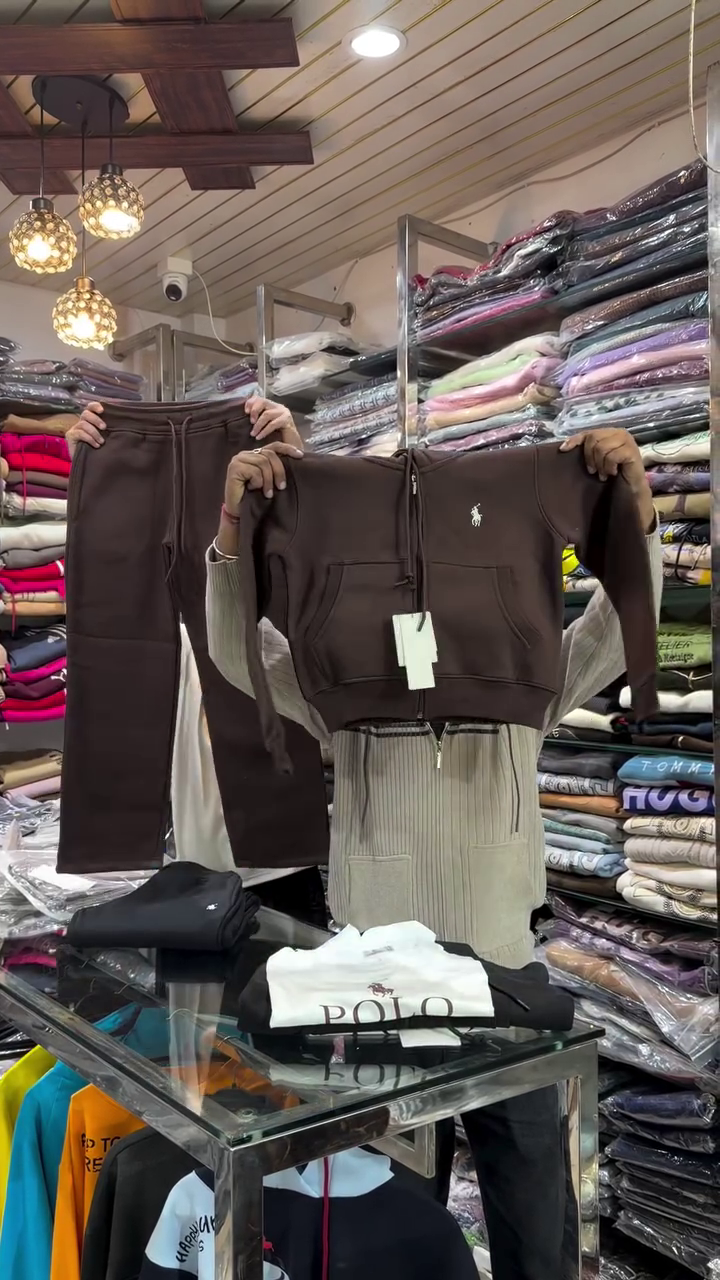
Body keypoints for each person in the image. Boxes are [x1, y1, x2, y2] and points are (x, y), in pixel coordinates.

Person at [73, 400, 662, 1280]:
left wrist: (635, 507)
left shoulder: (529, 687)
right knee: (386, 1221)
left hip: (506, 982)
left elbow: (613, 630)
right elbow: (238, 651)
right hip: (371, 992)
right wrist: (231, 530)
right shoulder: (342, 698)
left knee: (536, 1224)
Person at [65, 397, 329, 930]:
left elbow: (316, 582)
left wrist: (294, 461)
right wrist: (90, 467)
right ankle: (118, 839)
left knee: (254, 628)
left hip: (275, 869)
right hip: (172, 868)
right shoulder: (109, 477)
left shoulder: (258, 485)